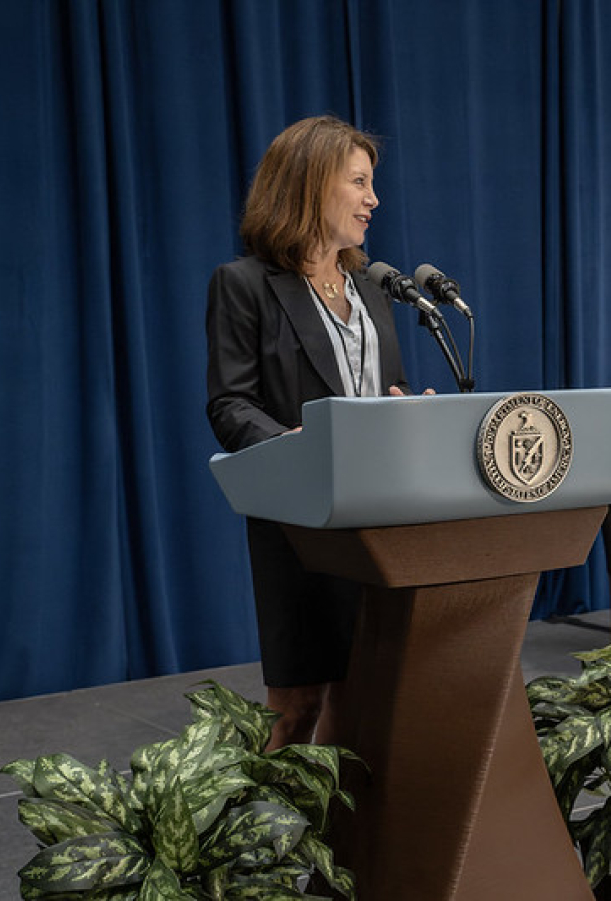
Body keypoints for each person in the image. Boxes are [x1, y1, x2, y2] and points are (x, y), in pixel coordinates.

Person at [206, 115, 423, 749]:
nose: (373, 199)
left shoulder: (372, 290)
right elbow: (229, 404)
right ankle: (272, 842)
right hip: (299, 525)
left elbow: (389, 390)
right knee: (298, 706)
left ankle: (339, 840)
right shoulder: (245, 285)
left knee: (358, 702)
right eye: (359, 182)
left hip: (375, 524)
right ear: (309, 185)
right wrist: (300, 448)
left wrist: (410, 411)